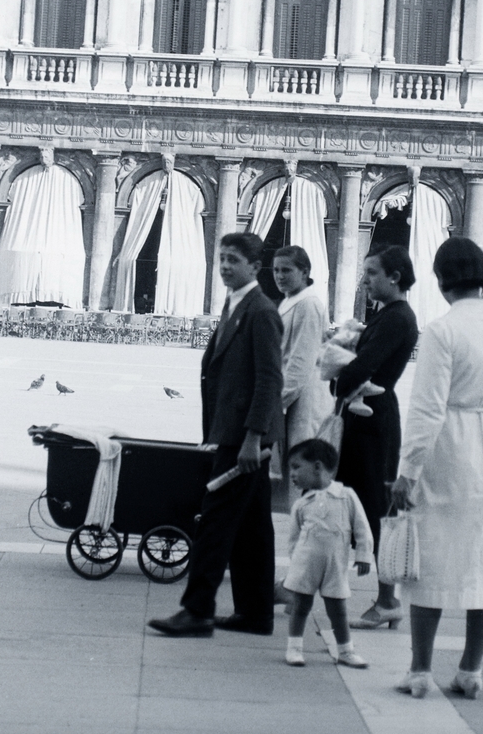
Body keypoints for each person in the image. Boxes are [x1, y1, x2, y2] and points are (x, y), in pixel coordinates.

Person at [389, 237, 483, 701]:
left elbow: (427, 410)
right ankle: (470, 670)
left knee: (430, 556)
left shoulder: (442, 331)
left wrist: (406, 472)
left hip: (447, 447)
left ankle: (420, 669)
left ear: (441, 278)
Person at [150, 233, 284, 639]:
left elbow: (269, 380)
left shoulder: (260, 311)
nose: (225, 266)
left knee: (215, 521)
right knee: (253, 528)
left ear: (254, 267)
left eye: (234, 260)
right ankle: (256, 612)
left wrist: (252, 437)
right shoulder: (236, 304)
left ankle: (197, 610)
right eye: (222, 258)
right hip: (233, 432)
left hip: (243, 438)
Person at [334, 246, 419, 631]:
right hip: (368, 417)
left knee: (374, 507)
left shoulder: (397, 319)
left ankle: (387, 601)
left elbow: (361, 369)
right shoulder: (389, 316)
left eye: (371, 273)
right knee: (355, 502)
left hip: (374, 421)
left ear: (394, 277)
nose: (365, 280)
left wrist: (336, 373)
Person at [281, 438, 372, 670]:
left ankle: (346, 651)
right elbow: (293, 538)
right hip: (306, 564)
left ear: (318, 467)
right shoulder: (301, 504)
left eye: (296, 466)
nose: (292, 474)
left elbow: (362, 528)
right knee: (300, 606)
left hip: (335, 565)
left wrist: (363, 554)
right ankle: (294, 648)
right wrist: (295, 565)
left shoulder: (346, 496)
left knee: (338, 610)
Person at [273, 246, 329, 449]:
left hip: (305, 398)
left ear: (304, 272)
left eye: (286, 270)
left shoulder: (308, 304)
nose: (279, 276)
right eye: (276, 270)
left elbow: (301, 361)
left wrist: (277, 403)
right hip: (291, 395)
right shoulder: (289, 301)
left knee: (301, 461)